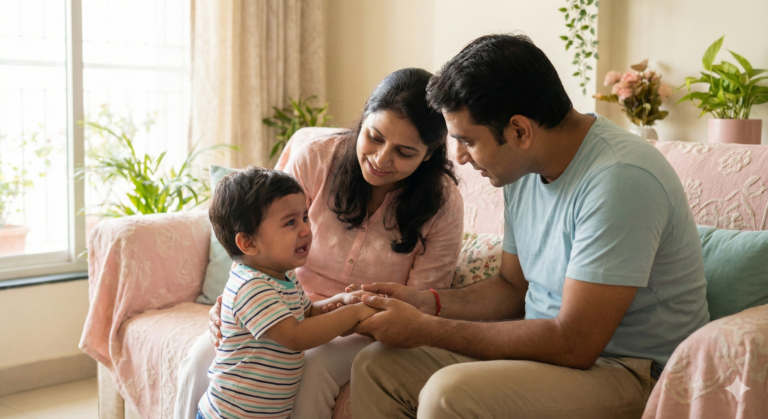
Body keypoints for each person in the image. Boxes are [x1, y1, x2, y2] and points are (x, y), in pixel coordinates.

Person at [345, 34, 709, 419]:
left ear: (519, 131)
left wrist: (427, 329)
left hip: (636, 371)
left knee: (449, 395)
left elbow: (575, 342)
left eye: (467, 140)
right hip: (554, 354)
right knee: (377, 366)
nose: (459, 158)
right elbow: (511, 288)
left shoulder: (620, 179)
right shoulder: (519, 169)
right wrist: (427, 304)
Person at [174, 68, 465, 419]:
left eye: (404, 152)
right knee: (202, 356)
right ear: (361, 125)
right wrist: (233, 303)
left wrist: (354, 314)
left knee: (314, 367)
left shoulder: (442, 203)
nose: (381, 159)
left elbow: (417, 305)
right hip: (292, 307)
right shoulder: (318, 157)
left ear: (429, 155)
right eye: (374, 137)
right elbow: (258, 234)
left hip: (369, 328)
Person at [199, 166, 380, 418]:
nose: (306, 230)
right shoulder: (251, 287)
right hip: (231, 414)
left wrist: (343, 301)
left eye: (305, 217)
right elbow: (296, 336)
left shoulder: (283, 275)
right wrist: (354, 314)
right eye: (290, 223)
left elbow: (306, 313)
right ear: (248, 243)